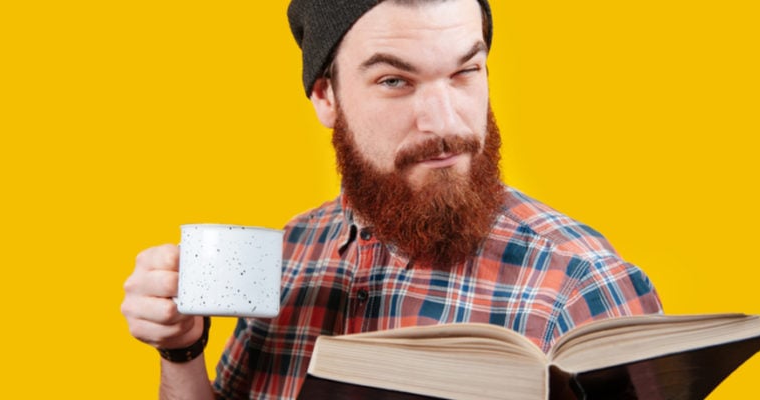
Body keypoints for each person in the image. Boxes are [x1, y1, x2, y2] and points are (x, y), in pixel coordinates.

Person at [121, 0, 663, 399]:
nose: (445, 122)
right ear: (324, 95)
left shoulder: (579, 284)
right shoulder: (288, 254)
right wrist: (182, 352)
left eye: (465, 72)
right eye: (395, 81)